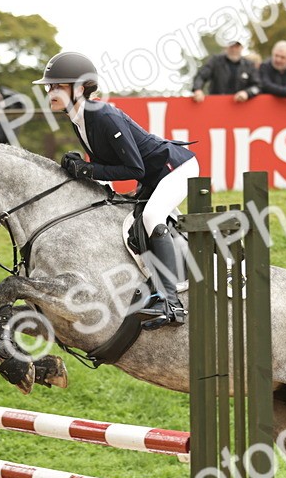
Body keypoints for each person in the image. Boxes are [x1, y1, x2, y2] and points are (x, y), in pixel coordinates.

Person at [34, 51, 197, 330]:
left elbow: (134, 169)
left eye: (57, 86)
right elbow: (105, 165)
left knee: (152, 217)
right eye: (49, 87)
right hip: (153, 176)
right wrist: (82, 169)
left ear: (79, 88)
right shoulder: (78, 118)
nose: (50, 92)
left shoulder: (103, 115)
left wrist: (88, 170)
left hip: (175, 168)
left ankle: (171, 302)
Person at [191, 40, 259, 103]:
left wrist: (247, 93)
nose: (234, 50)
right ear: (226, 48)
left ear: (241, 48)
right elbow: (201, 76)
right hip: (217, 104)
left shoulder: (249, 65)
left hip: (241, 106)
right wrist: (197, 89)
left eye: (237, 47)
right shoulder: (215, 61)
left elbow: (257, 86)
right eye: (231, 47)